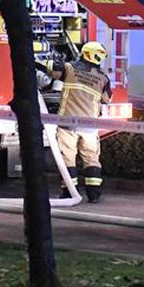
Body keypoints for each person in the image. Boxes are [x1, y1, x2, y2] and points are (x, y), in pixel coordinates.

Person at [54, 41, 111, 202]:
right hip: (90, 126)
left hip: (67, 124)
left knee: (68, 158)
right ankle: (94, 196)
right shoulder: (103, 78)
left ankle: (69, 194)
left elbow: (53, 73)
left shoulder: (69, 68)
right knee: (91, 159)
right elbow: (106, 100)